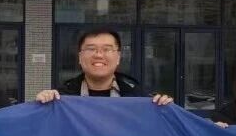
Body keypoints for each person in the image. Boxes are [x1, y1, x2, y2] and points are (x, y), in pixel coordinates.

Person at [34, 27, 173, 105]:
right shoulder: (61, 98)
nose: (99, 55)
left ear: (118, 57)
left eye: (107, 49)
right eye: (91, 49)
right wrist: (42, 104)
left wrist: (164, 107)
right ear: (80, 57)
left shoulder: (140, 97)